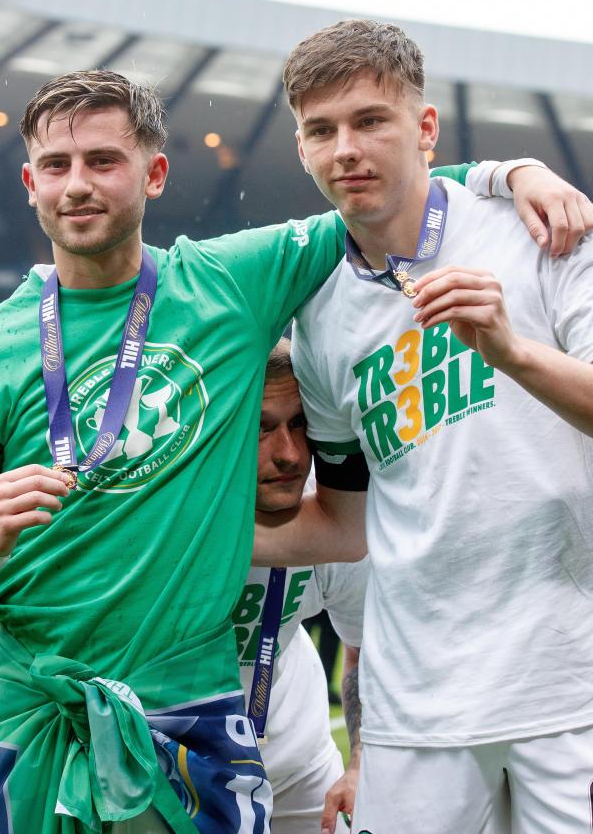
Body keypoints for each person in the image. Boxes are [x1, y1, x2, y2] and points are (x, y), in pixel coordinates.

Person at [0, 68, 593, 834]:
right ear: (30, 182)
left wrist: (510, 172)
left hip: (189, 706)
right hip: (37, 712)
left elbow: (380, 195)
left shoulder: (229, 282)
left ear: (153, 173)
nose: (78, 185)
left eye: (104, 161)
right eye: (57, 167)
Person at [254, 19, 593, 833]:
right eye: (321, 130)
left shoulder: (546, 232)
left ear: (424, 129)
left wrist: (512, 352)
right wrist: (153, 531)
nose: (346, 147)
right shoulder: (321, 316)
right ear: (303, 150)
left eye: (370, 120)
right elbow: (346, 527)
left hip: (575, 690)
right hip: (416, 718)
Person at [239, 339, 367, 834]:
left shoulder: (334, 514)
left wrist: (360, 761)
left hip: (299, 765)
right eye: (261, 428)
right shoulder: (162, 509)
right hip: (171, 767)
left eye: (301, 424)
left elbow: (365, 646)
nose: (290, 454)